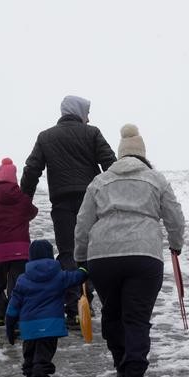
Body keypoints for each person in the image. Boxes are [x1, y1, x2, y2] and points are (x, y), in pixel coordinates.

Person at [73, 124, 185, 377]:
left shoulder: (99, 182)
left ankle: (122, 369)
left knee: (112, 315)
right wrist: (175, 243)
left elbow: (83, 223)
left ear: (120, 155)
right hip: (143, 256)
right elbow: (175, 216)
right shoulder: (156, 179)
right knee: (136, 317)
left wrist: (80, 259)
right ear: (143, 155)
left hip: (103, 258)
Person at [20, 95, 116, 326]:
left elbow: (32, 169)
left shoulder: (46, 137)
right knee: (90, 250)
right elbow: (110, 163)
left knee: (67, 252)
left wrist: (24, 202)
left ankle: (73, 307)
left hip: (62, 202)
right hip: (90, 199)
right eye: (87, 112)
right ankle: (87, 300)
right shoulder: (92, 133)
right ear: (79, 112)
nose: (89, 117)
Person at [5, 239, 89, 377]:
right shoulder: (59, 276)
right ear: (51, 256)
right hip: (50, 327)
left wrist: (9, 328)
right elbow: (77, 277)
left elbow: (12, 307)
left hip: (28, 328)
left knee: (29, 357)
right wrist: (84, 268)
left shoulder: (22, 279)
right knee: (43, 359)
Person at [0, 158, 38, 326]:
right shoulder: (23, 201)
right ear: (15, 179)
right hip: (21, 251)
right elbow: (33, 212)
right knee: (17, 285)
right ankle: (16, 316)